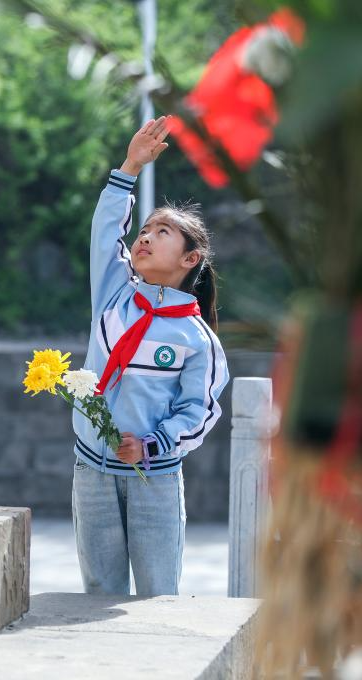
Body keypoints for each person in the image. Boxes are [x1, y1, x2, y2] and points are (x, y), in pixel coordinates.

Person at [72, 116, 229, 595]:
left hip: (153, 478)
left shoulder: (197, 338)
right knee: (98, 591)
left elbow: (197, 412)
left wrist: (153, 444)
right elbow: (105, 231)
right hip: (91, 469)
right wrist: (129, 168)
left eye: (162, 232)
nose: (145, 237)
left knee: (160, 593)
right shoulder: (115, 296)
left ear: (190, 260)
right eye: (144, 230)